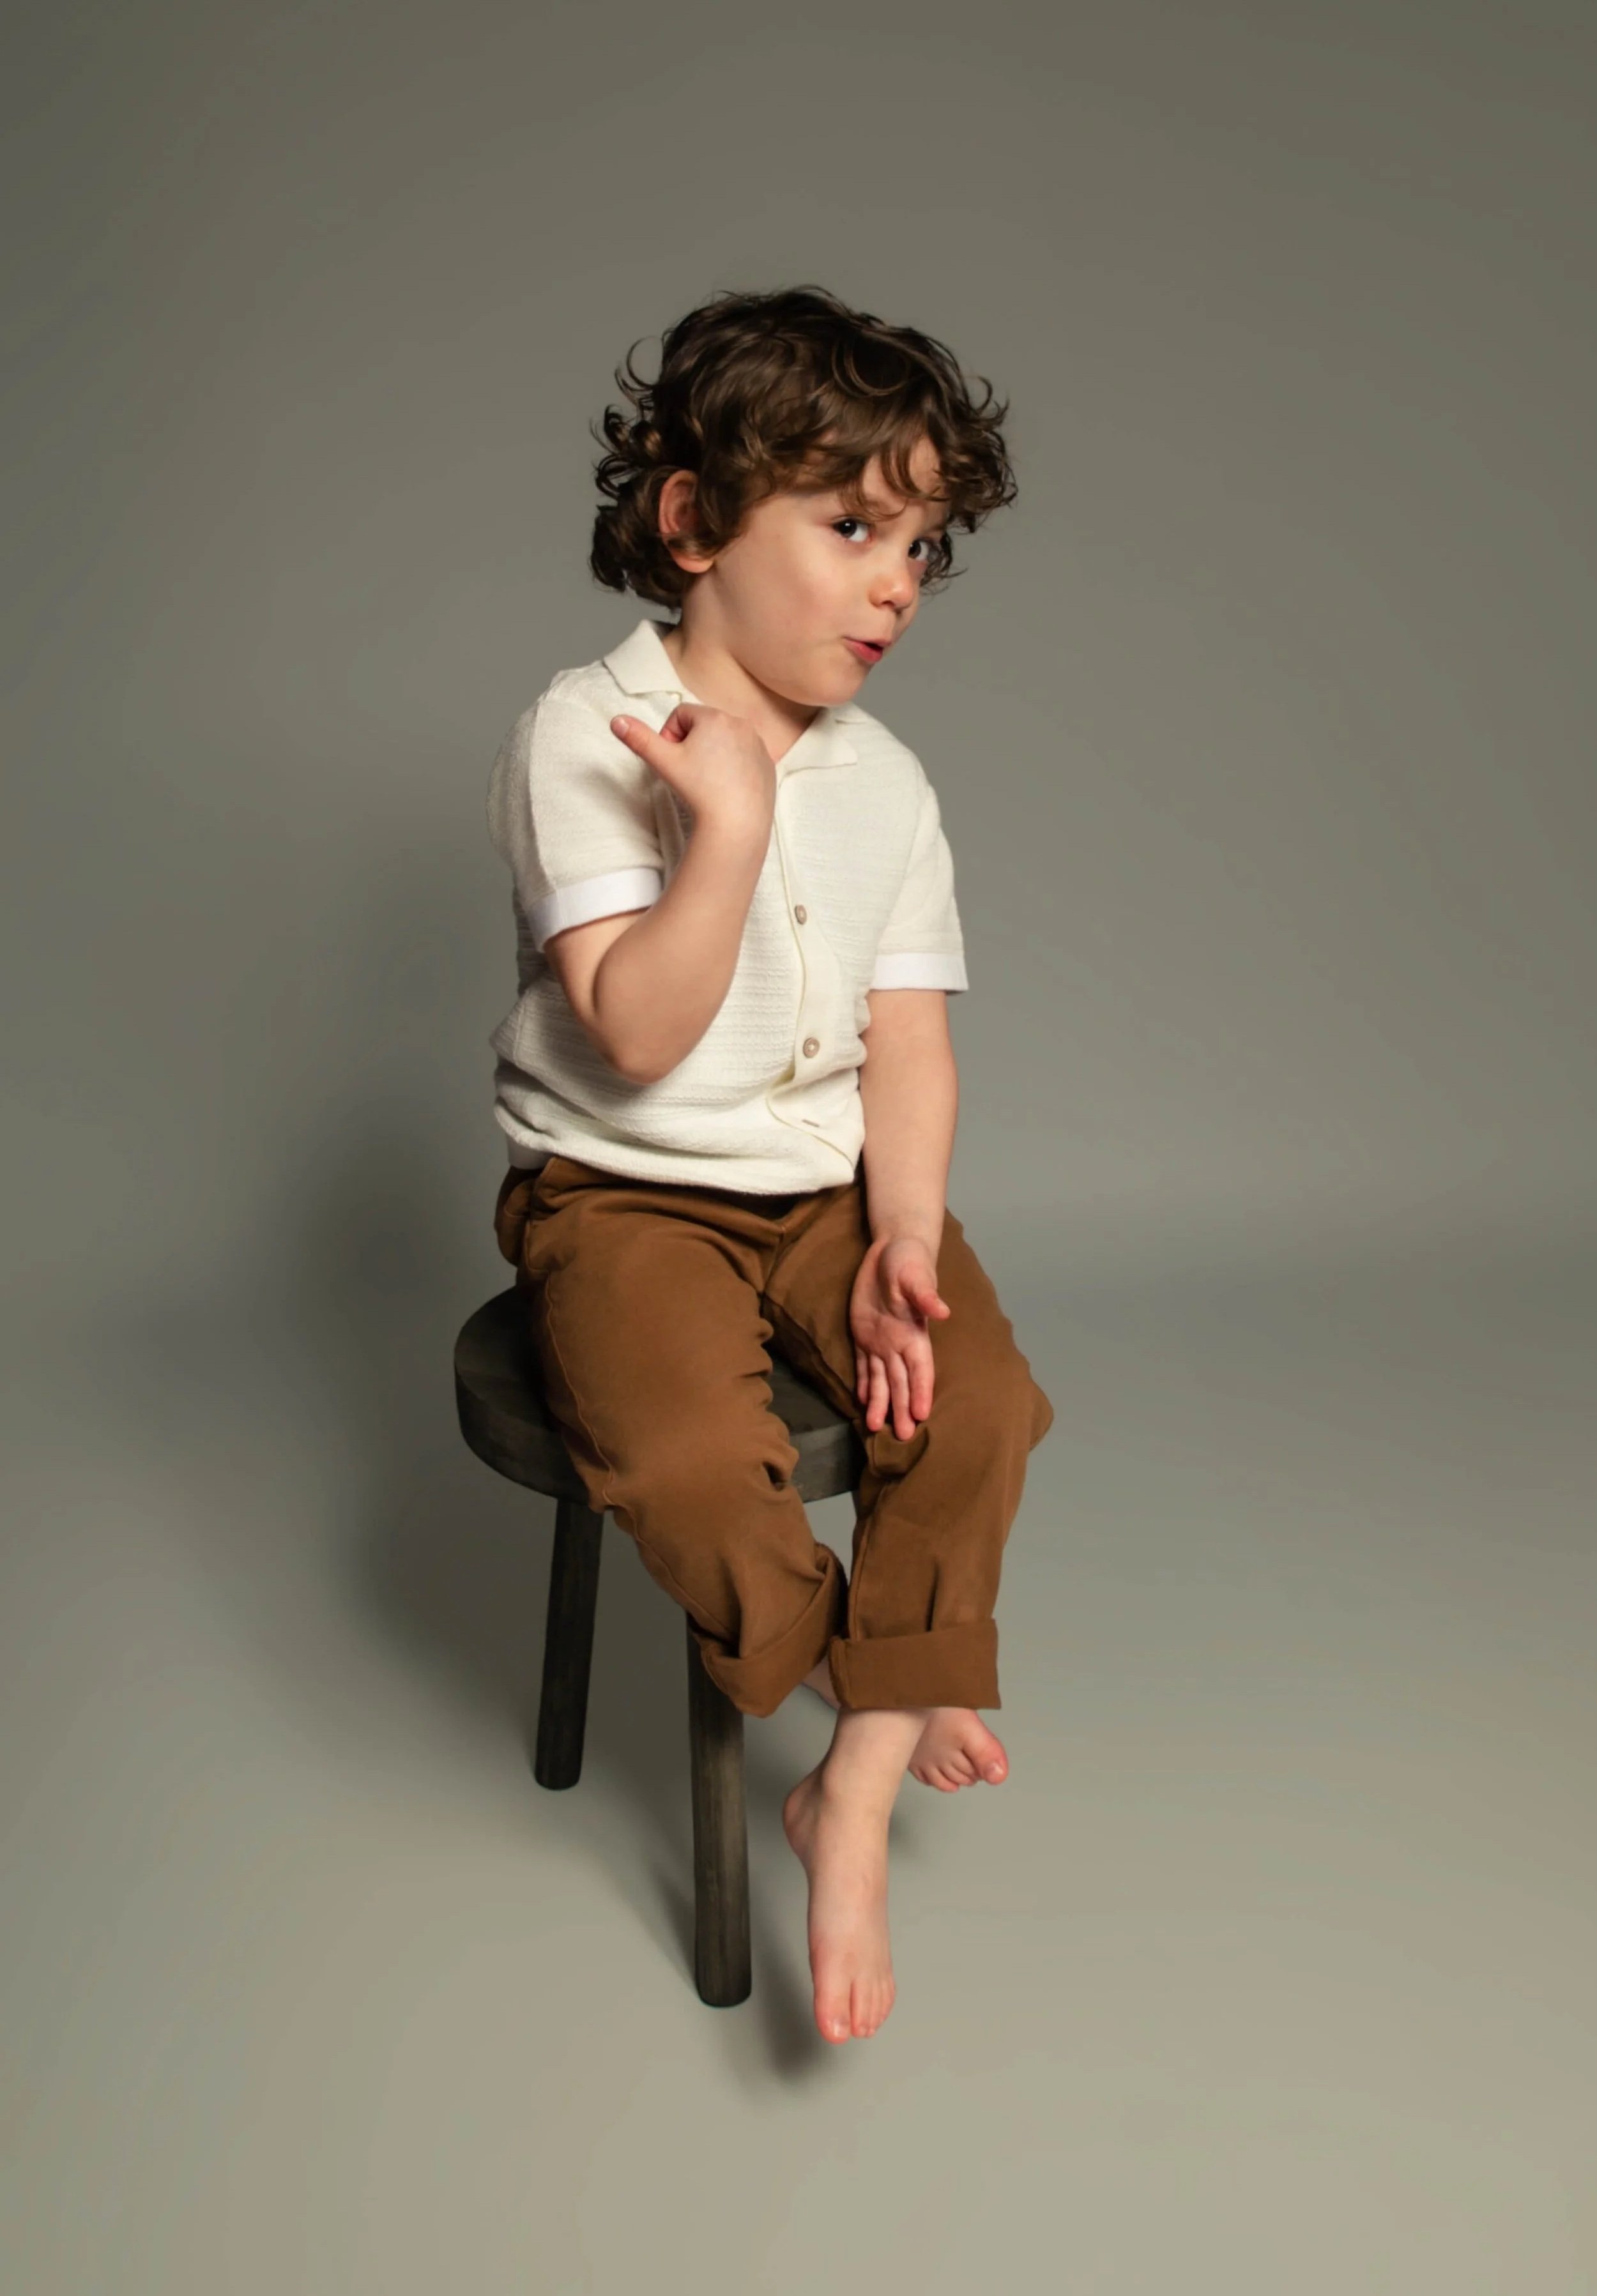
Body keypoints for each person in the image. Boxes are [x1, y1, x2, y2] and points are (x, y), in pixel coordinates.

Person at [485, 284, 1054, 2046]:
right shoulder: (582, 732)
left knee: (976, 1400)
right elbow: (637, 1036)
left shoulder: (890, 780)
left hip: (822, 1190)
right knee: (682, 1455)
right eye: (854, 524)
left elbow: (907, 1042)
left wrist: (898, 1234)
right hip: (622, 1191)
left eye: (925, 545)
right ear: (691, 520)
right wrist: (720, 827)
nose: (900, 579)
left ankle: (851, 1784)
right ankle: (868, 1676)